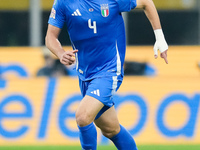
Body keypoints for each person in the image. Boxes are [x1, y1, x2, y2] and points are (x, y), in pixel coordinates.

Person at [45, 0, 168, 149]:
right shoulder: (63, 3)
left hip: (109, 71)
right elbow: (50, 37)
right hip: (85, 74)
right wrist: (60, 53)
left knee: (83, 117)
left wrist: (160, 38)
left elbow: (147, 3)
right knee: (111, 129)